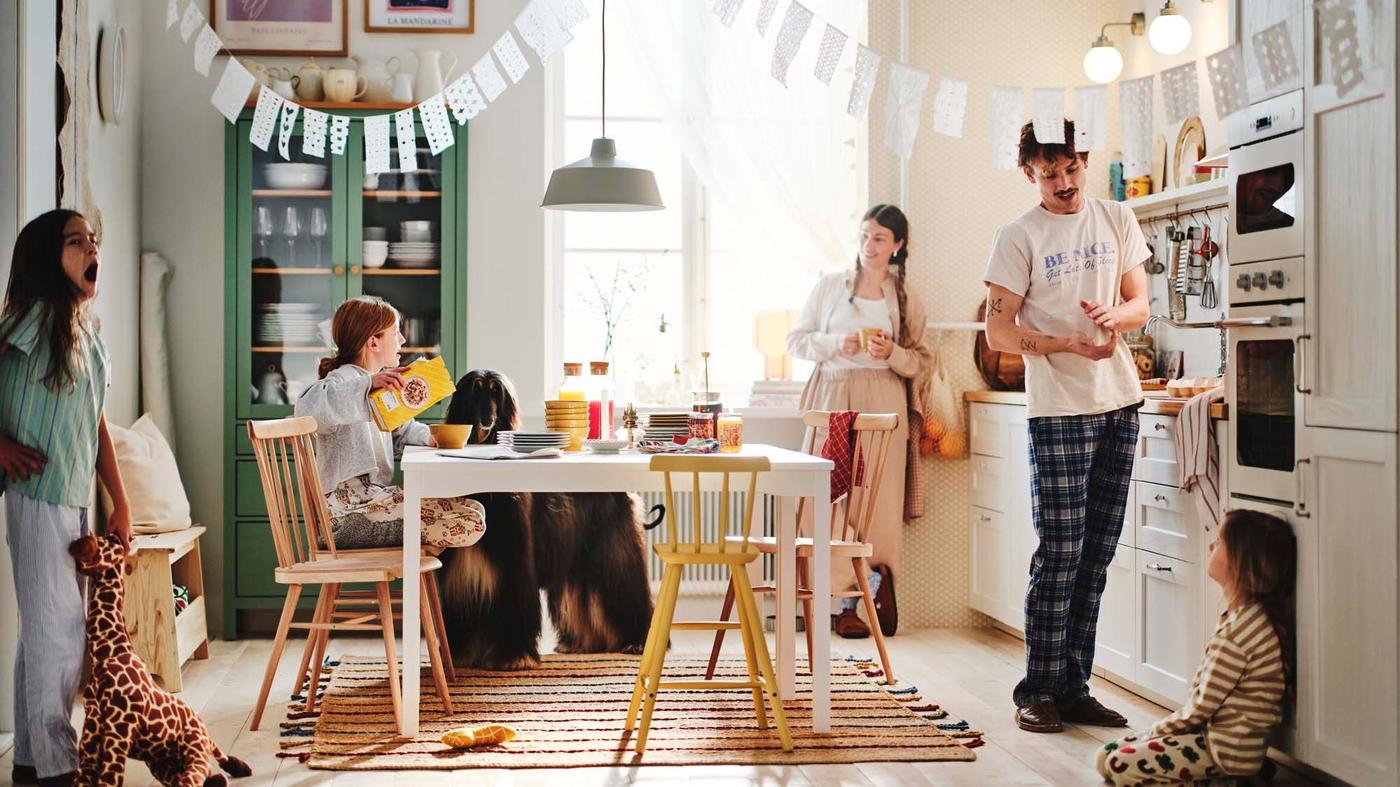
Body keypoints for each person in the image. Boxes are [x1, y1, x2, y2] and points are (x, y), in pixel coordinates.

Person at [983, 120, 1151, 733]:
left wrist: (1116, 316)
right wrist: (1065, 344)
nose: (1064, 181)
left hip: (1120, 402)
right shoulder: (1017, 235)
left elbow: (1141, 304)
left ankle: (1075, 686)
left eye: (1072, 167)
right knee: (1060, 551)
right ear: (1029, 174)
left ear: (1086, 160)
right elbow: (999, 331)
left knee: (1098, 553)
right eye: (1048, 172)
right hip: (1057, 408)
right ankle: (1038, 688)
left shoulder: (1116, 218)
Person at [0, 209, 133, 786]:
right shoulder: (27, 324)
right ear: (44, 260)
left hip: (73, 498)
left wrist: (120, 502)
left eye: (92, 240)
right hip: (36, 497)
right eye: (75, 241)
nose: (89, 248)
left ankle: (33, 760)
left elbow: (97, 423)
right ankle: (61, 764)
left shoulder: (84, 335)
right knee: (58, 633)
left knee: (45, 633)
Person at [787, 204, 933, 639]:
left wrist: (891, 353)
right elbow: (796, 341)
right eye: (865, 236)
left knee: (875, 506)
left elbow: (922, 362)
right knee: (820, 499)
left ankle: (853, 608)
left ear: (898, 246)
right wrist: (837, 343)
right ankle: (868, 582)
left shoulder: (905, 297)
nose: (869, 246)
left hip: (882, 402)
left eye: (880, 239)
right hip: (831, 396)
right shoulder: (830, 287)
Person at [1096, 509, 1295, 784]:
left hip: (1225, 751)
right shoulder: (1243, 617)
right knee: (1105, 755)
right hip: (1211, 737)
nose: (1212, 544)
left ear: (1242, 565)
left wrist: (1158, 731)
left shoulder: (1241, 632)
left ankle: (1226, 780)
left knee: (1118, 764)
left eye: (1221, 542)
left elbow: (1201, 708)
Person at [294, 296, 485, 550]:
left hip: (376, 500)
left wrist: (428, 437)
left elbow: (399, 428)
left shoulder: (378, 385)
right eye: (396, 333)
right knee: (469, 521)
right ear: (373, 341)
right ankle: (362, 531)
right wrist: (368, 384)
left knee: (473, 509)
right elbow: (306, 410)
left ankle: (384, 529)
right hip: (345, 508)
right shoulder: (341, 382)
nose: (403, 340)